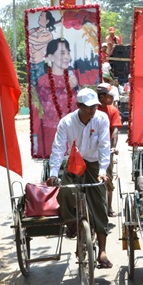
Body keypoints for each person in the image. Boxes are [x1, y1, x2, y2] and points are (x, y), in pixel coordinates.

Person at [46, 88, 112, 268]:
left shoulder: (101, 119)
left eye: (95, 106)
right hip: (75, 163)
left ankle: (102, 251)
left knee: (99, 203)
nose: (92, 110)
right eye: (89, 107)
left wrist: (103, 170)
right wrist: (53, 173)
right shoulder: (66, 122)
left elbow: (105, 146)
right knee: (65, 194)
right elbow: (59, 148)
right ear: (79, 106)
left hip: (94, 163)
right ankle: (72, 224)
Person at [34, 38, 79, 158]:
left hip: (72, 135)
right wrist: (68, 88)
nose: (67, 57)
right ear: (51, 57)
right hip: (52, 134)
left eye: (68, 53)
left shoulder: (72, 78)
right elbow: (51, 109)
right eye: (62, 53)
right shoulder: (44, 81)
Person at [96, 83, 122, 217]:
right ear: (101, 97)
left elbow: (115, 130)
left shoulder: (112, 110)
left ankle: (109, 206)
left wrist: (113, 146)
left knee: (108, 178)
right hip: (91, 150)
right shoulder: (92, 109)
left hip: (106, 150)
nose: (112, 98)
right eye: (109, 96)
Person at [28, 11, 56, 86]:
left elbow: (36, 40)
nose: (39, 17)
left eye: (42, 16)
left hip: (41, 65)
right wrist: (32, 31)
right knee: (32, 89)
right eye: (40, 15)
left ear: (47, 21)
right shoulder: (33, 32)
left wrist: (29, 34)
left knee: (41, 87)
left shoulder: (48, 35)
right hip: (31, 64)